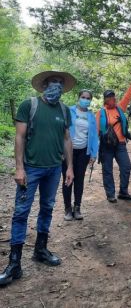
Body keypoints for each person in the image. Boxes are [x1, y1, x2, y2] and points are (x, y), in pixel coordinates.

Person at [0, 71, 75, 287]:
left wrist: (69, 167)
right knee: (21, 212)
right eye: (54, 82)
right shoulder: (29, 105)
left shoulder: (63, 109)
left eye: (61, 83)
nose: (57, 86)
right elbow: (19, 136)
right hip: (31, 170)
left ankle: (40, 250)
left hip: (53, 169)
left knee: (48, 208)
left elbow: (66, 138)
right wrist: (19, 168)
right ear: (43, 85)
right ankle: (14, 263)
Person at [97, 72, 131, 202]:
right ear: (105, 99)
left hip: (120, 144)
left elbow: (128, 95)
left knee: (126, 167)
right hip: (106, 146)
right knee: (107, 170)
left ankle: (123, 192)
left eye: (113, 96)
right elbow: (96, 131)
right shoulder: (100, 113)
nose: (112, 99)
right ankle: (110, 194)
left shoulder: (120, 108)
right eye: (109, 97)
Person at [62, 89, 98, 221]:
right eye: (83, 97)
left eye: (88, 98)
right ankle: (67, 209)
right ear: (78, 97)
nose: (85, 100)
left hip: (84, 152)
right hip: (68, 151)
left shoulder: (91, 116)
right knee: (67, 179)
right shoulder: (68, 111)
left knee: (79, 180)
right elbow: (61, 131)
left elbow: (94, 136)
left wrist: (94, 154)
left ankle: (77, 207)